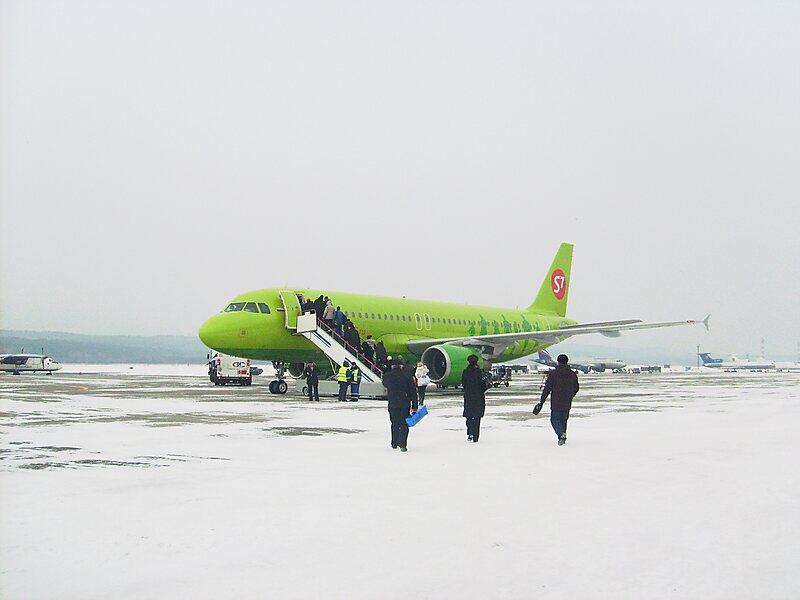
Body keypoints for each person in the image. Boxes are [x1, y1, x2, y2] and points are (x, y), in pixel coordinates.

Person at [534, 354, 579, 446]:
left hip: (556, 400)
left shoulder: (554, 374)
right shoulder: (572, 374)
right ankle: (562, 437)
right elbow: (576, 387)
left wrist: (541, 401)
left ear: (558, 362)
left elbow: (547, 389)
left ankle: (561, 435)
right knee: (563, 420)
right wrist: (570, 395)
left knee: (554, 419)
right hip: (567, 401)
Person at [381, 356, 418, 451]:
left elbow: (384, 383)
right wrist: (415, 406)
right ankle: (403, 445)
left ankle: (394, 443)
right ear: (401, 366)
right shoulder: (408, 376)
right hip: (405, 404)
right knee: (404, 424)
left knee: (394, 424)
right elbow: (413, 391)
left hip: (392, 404)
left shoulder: (388, 376)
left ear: (392, 366)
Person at [461, 354, 486, 442]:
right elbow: (484, 385)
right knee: (477, 417)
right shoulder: (480, 372)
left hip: (468, 396)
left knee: (469, 416)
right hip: (478, 396)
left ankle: (470, 432)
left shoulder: (465, 372)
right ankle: (476, 436)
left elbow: (463, 383)